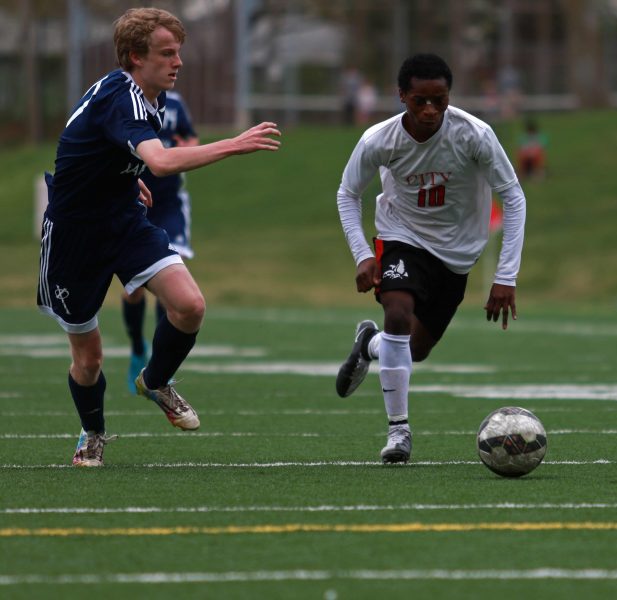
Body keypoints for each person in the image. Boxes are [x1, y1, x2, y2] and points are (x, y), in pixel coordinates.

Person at [37, 7, 281, 467]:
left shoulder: (150, 94)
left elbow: (100, 147)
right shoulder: (122, 96)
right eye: (167, 53)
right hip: (75, 236)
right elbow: (162, 161)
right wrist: (235, 143)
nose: (178, 62)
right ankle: (92, 433)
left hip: (124, 221)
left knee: (189, 306)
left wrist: (126, 180)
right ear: (135, 57)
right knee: (88, 360)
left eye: (179, 52)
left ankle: (155, 380)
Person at [334, 53, 526, 464]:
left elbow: (513, 196)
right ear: (401, 95)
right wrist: (363, 255)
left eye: (438, 100)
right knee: (398, 313)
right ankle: (398, 432)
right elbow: (348, 193)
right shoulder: (378, 140)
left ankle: (368, 345)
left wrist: (505, 275)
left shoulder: (474, 135)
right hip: (401, 236)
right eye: (420, 99)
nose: (429, 109)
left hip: (457, 255)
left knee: (415, 348)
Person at [122, 90, 199, 394]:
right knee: (135, 290)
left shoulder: (176, 103)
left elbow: (190, 138)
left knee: (173, 283)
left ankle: (157, 363)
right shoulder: (123, 101)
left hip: (169, 205)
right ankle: (138, 346)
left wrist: (186, 147)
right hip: (132, 202)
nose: (173, 64)